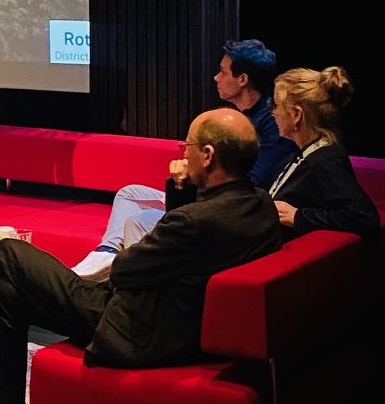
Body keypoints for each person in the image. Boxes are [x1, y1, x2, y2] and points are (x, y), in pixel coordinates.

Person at [0, 108, 281, 404]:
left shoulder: (194, 221)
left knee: (8, 253)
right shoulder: (260, 205)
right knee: (7, 293)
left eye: (188, 146)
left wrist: (161, 231)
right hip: (176, 327)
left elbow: (125, 269)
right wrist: (180, 192)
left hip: (134, 330)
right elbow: (180, 257)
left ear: (208, 155)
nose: (183, 154)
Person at [72, 38, 295, 278]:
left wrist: (193, 178)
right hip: (203, 195)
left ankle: (118, 274)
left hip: (222, 208)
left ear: (242, 79)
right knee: (128, 194)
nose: (216, 78)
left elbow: (251, 183)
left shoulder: (270, 126)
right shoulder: (235, 116)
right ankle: (106, 253)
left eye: (222, 72)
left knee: (138, 220)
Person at [266, 65, 379, 239]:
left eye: (276, 105)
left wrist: (298, 216)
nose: (273, 112)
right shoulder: (307, 153)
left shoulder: (325, 160)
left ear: (296, 114)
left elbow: (363, 217)